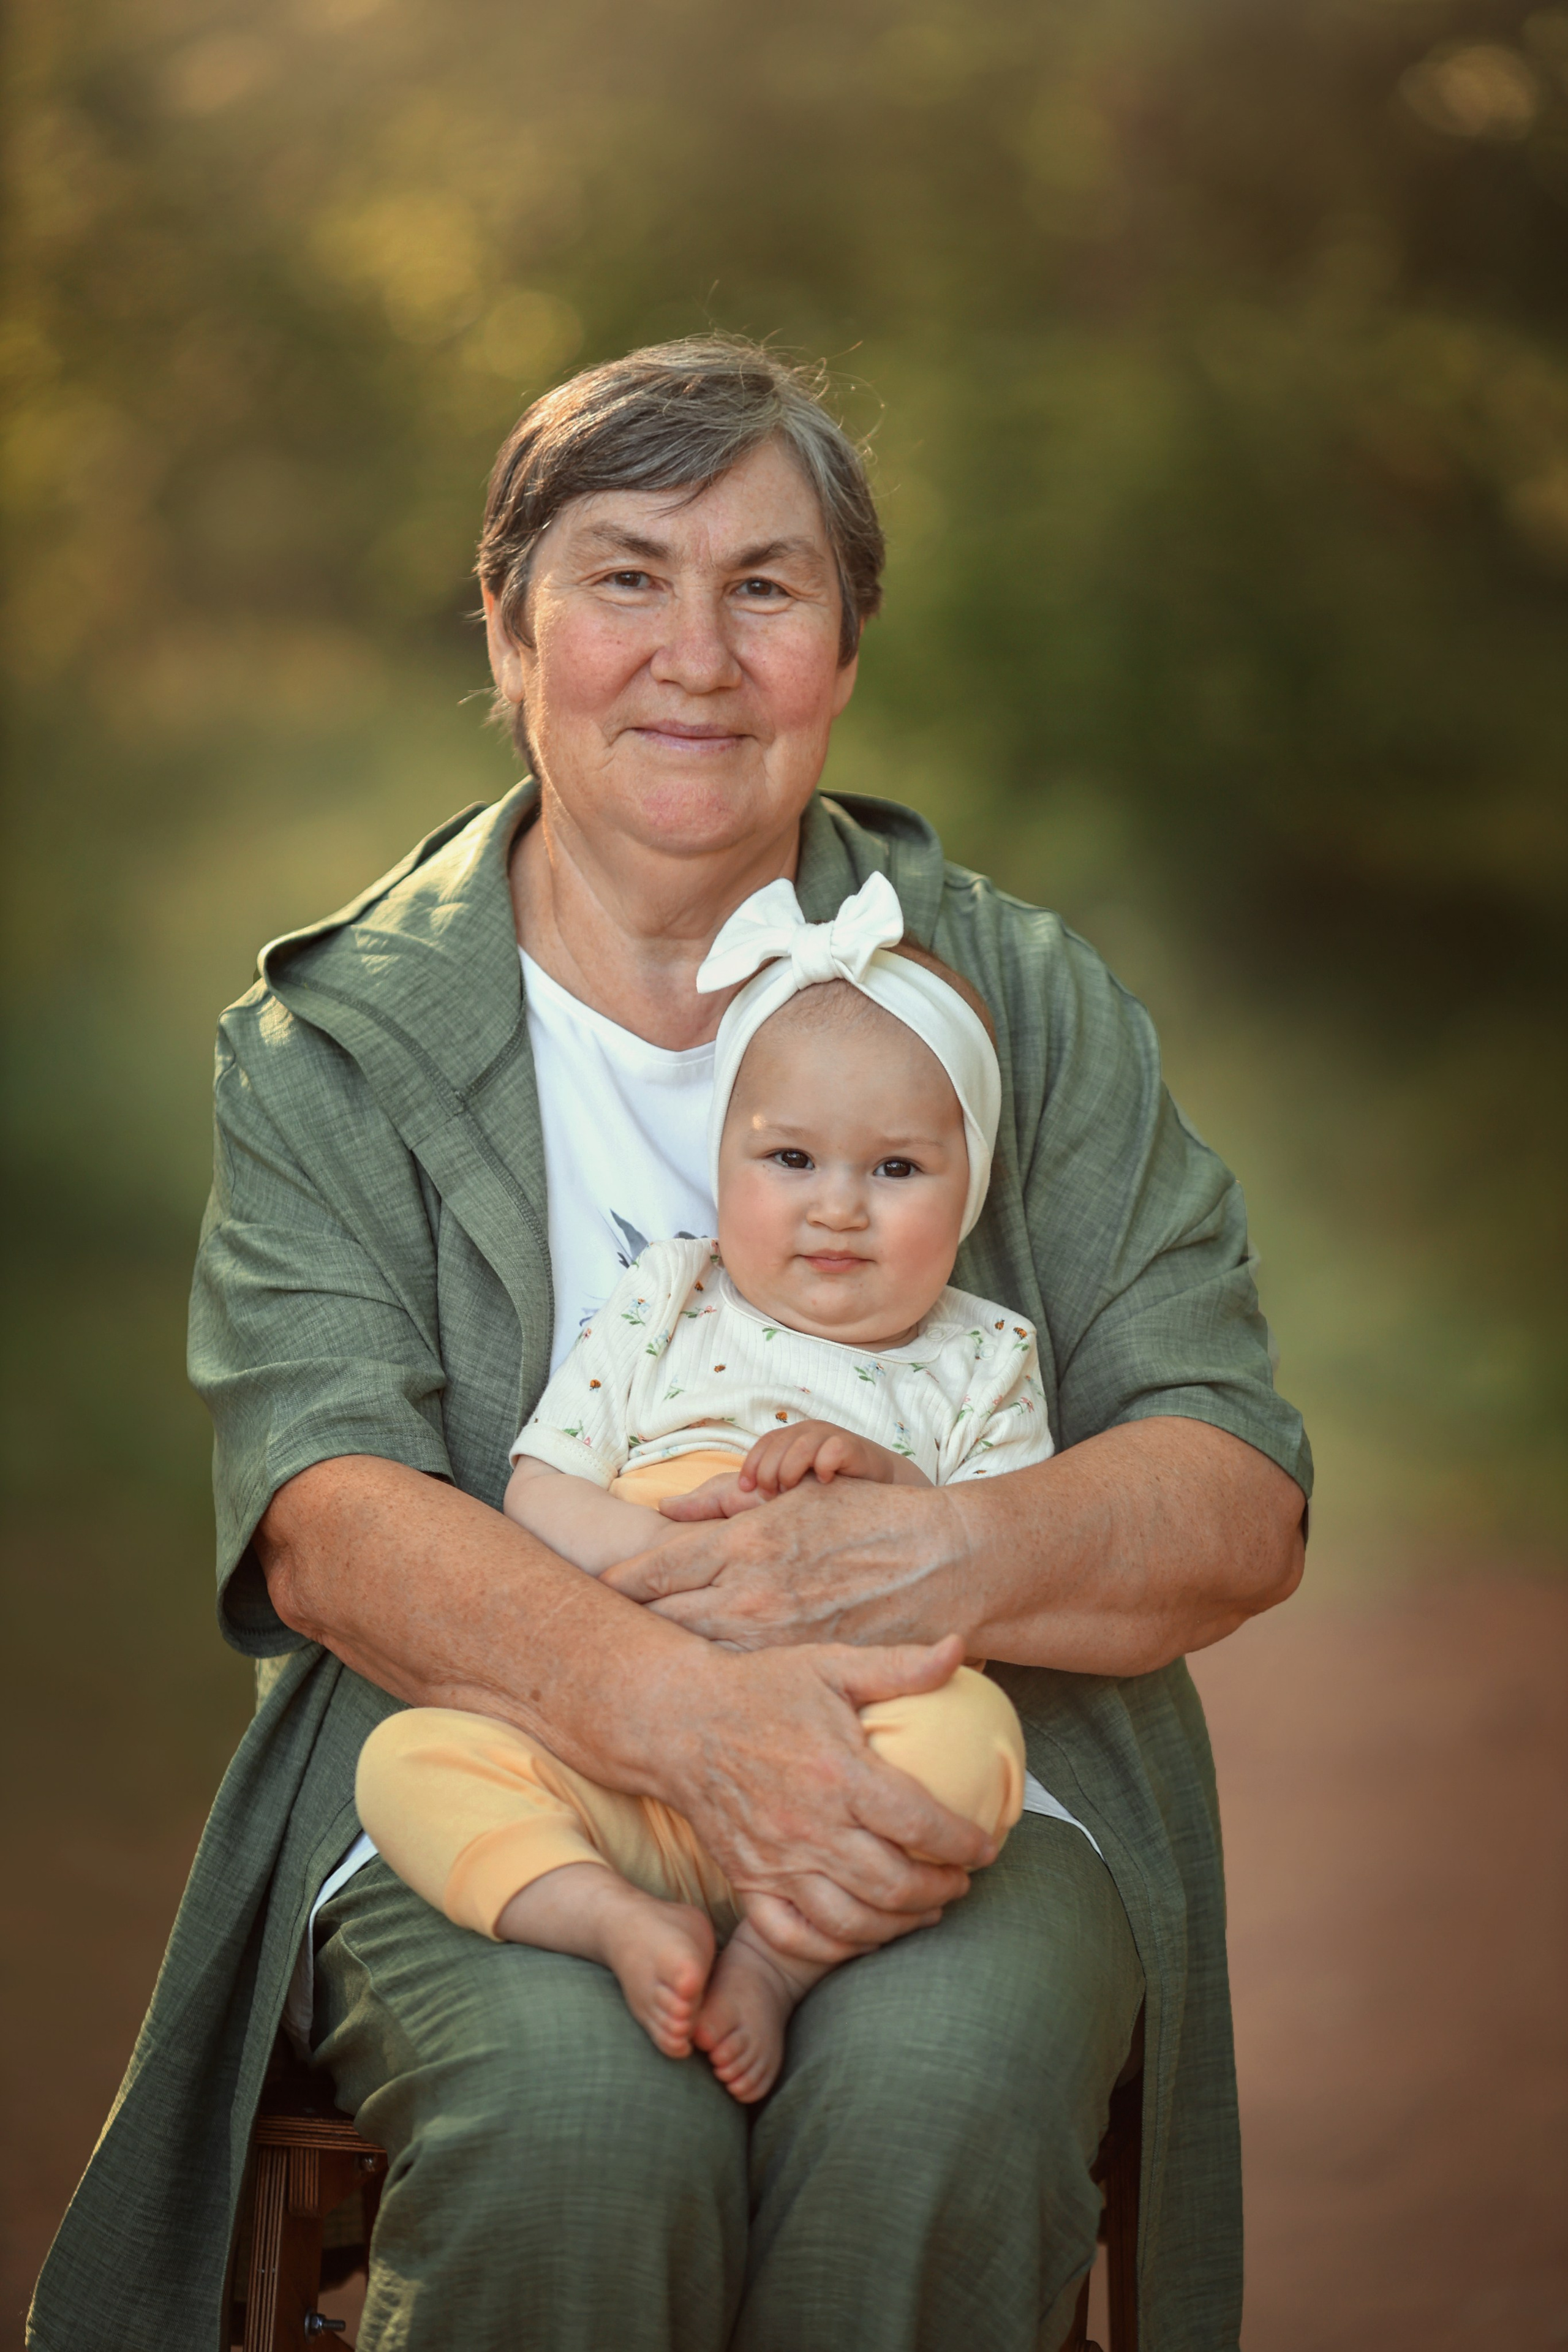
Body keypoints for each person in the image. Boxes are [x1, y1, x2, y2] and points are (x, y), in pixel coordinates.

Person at [29, 337, 1311, 2352]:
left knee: (934, 2098)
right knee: (575, 2121)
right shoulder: (338, 1040)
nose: (695, 656)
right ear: (509, 624)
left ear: (845, 649)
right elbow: (324, 1517)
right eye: (626, 575)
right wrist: (675, 1714)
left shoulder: (1024, 1005)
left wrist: (943, 1555)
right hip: (506, 1765)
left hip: (959, 1766)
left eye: (767, 585)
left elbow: (1234, 1489)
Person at [357, 874, 1048, 2104]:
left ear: (970, 1185)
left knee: (974, 1743)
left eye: (894, 1168)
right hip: (617, 1746)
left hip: (848, 1754)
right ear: (721, 1158)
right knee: (410, 1761)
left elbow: (1000, 1565)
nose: (835, 1205)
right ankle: (608, 1916)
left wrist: (881, 1489)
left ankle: (777, 1956)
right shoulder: (668, 1296)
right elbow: (539, 1490)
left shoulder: (981, 1355)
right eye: (788, 1157)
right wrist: (669, 1568)